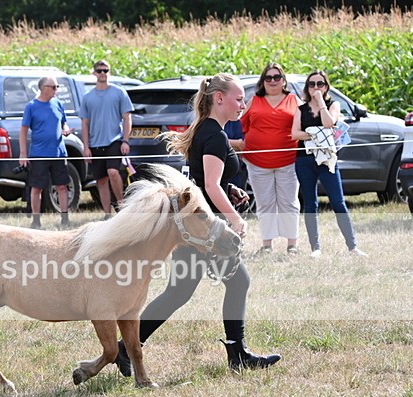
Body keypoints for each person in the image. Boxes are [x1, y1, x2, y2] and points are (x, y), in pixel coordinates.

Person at [110, 73, 281, 376]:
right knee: (237, 282)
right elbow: (210, 187)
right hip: (208, 231)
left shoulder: (204, 129)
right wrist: (235, 219)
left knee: (178, 293)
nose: (243, 104)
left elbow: (203, 182)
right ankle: (237, 354)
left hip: (195, 227)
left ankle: (125, 349)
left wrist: (230, 189)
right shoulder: (214, 135)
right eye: (238, 98)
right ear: (219, 98)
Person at [291, 70, 367, 257]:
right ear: (307, 88)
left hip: (327, 160)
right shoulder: (300, 109)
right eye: (312, 84)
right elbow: (295, 134)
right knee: (310, 203)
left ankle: (352, 246)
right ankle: (315, 248)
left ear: (326, 86)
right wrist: (319, 135)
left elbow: (329, 123)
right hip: (305, 159)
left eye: (320, 84)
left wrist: (320, 104)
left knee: (338, 202)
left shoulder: (333, 105)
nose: (316, 88)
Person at [235, 62, 302, 254]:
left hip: (288, 161)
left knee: (289, 202)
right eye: (268, 78)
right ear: (263, 81)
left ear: (283, 80)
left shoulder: (294, 100)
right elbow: (240, 124)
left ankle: (292, 245)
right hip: (257, 163)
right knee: (265, 203)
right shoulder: (254, 101)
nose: (272, 81)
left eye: (277, 77)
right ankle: (267, 245)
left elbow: (306, 123)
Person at [79, 60, 134, 217]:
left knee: (113, 172)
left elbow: (127, 118)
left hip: (114, 140)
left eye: (105, 70)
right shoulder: (87, 97)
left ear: (109, 72)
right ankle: (107, 214)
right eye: (99, 70)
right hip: (95, 143)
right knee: (101, 180)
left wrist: (125, 140)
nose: (102, 73)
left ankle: (122, 207)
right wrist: (86, 146)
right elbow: (84, 123)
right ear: (94, 73)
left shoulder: (119, 92)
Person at [19, 76, 72, 229]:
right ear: (43, 88)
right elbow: (23, 131)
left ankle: (65, 219)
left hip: (58, 153)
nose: (57, 90)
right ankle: (36, 220)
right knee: (37, 188)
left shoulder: (58, 104)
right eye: (54, 87)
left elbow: (64, 121)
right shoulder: (31, 106)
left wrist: (66, 129)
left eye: (57, 87)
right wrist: (23, 154)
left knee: (62, 186)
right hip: (39, 154)